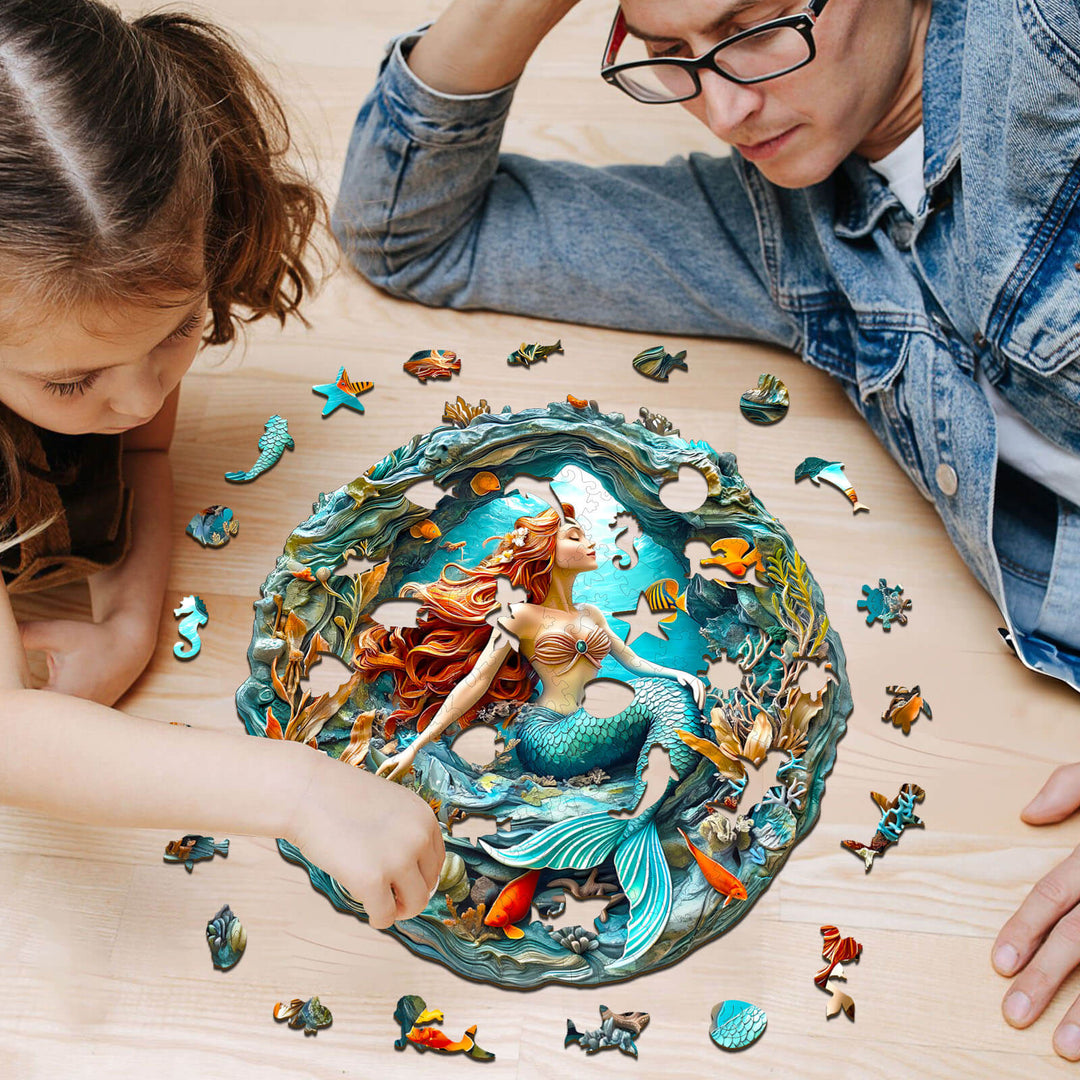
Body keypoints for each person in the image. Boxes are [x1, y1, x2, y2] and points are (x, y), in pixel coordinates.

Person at [331, 0, 1080, 1057]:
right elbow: (407, 233)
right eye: (669, 53)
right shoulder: (779, 218)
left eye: (754, 25)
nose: (723, 107)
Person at [0, 0, 443, 933]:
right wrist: (295, 788)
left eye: (179, 332)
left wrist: (127, 624)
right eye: (73, 382)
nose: (135, 398)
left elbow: (146, 443)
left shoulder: (110, 337)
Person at [356, 505, 709, 966]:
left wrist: (683, 677)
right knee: (659, 700)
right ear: (547, 548)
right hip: (549, 738)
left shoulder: (592, 613)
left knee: (667, 695)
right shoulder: (520, 614)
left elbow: (636, 666)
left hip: (594, 724)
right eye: (573, 535)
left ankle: (634, 819)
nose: (589, 541)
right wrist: (419, 746)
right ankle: (635, 822)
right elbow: (477, 680)